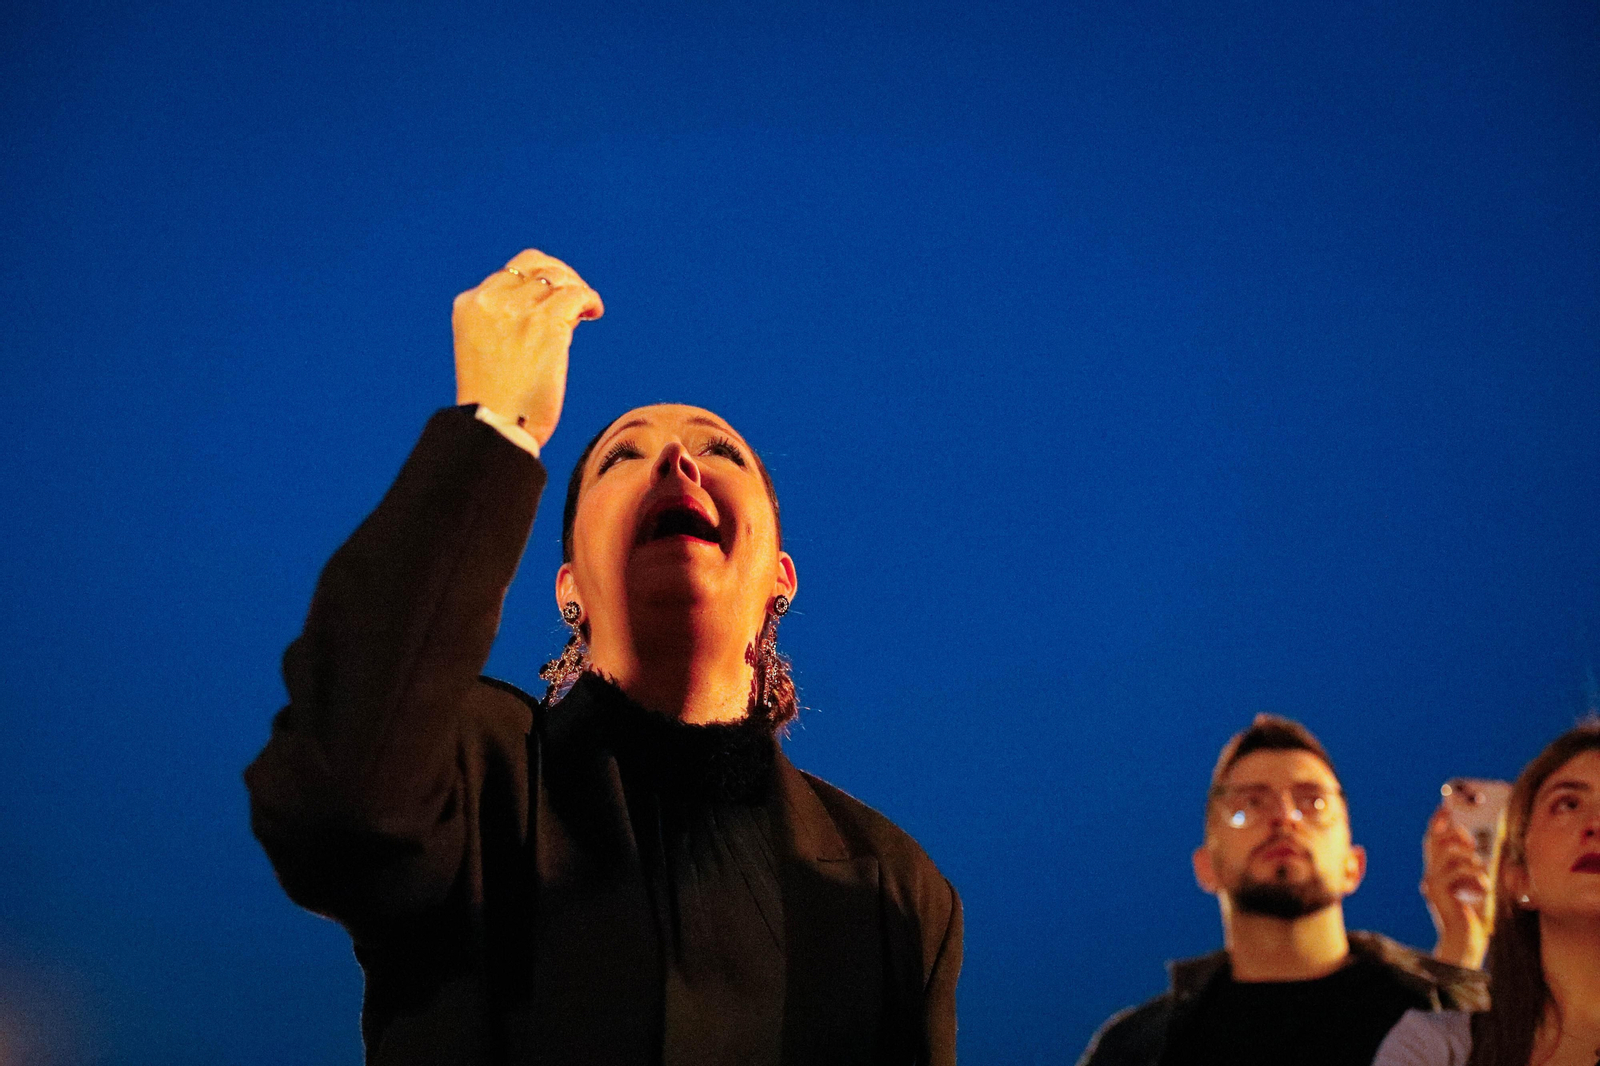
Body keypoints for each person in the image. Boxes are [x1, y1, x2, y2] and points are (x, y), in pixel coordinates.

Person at [245, 249, 962, 1065]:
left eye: (718, 451)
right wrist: (498, 422)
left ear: (780, 579)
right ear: (568, 586)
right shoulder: (473, 775)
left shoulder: (898, 891)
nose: (676, 462)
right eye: (624, 456)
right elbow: (336, 799)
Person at [1076, 714, 1486, 1066]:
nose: (1284, 818)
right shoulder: (1140, 1047)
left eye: (1314, 804)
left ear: (1354, 866)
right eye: (1248, 806)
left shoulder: (1437, 1015)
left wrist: (1458, 973)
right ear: (1205, 867)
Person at [1373, 718, 1600, 1066]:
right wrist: (1462, 939)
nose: (1595, 823)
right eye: (1567, 804)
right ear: (1517, 879)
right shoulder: (1435, 1048)